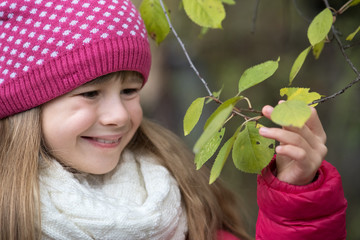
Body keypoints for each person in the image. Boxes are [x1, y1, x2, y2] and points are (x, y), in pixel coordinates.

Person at [0, 0, 346, 239]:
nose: (119, 115)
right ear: (25, 105)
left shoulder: (181, 194)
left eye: (130, 91)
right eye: (91, 94)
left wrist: (298, 203)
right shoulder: (12, 218)